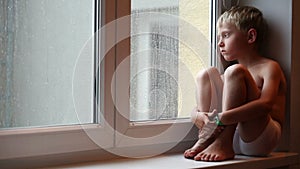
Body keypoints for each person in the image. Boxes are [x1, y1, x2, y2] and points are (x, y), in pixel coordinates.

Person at [183, 5, 286, 162]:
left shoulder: (269, 67)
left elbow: (266, 105)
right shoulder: (229, 75)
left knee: (235, 71)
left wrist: (220, 118)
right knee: (207, 74)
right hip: (234, 137)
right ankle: (209, 138)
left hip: (260, 138)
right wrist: (197, 116)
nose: (220, 43)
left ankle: (222, 142)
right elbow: (199, 110)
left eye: (226, 35)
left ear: (250, 37)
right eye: (219, 38)